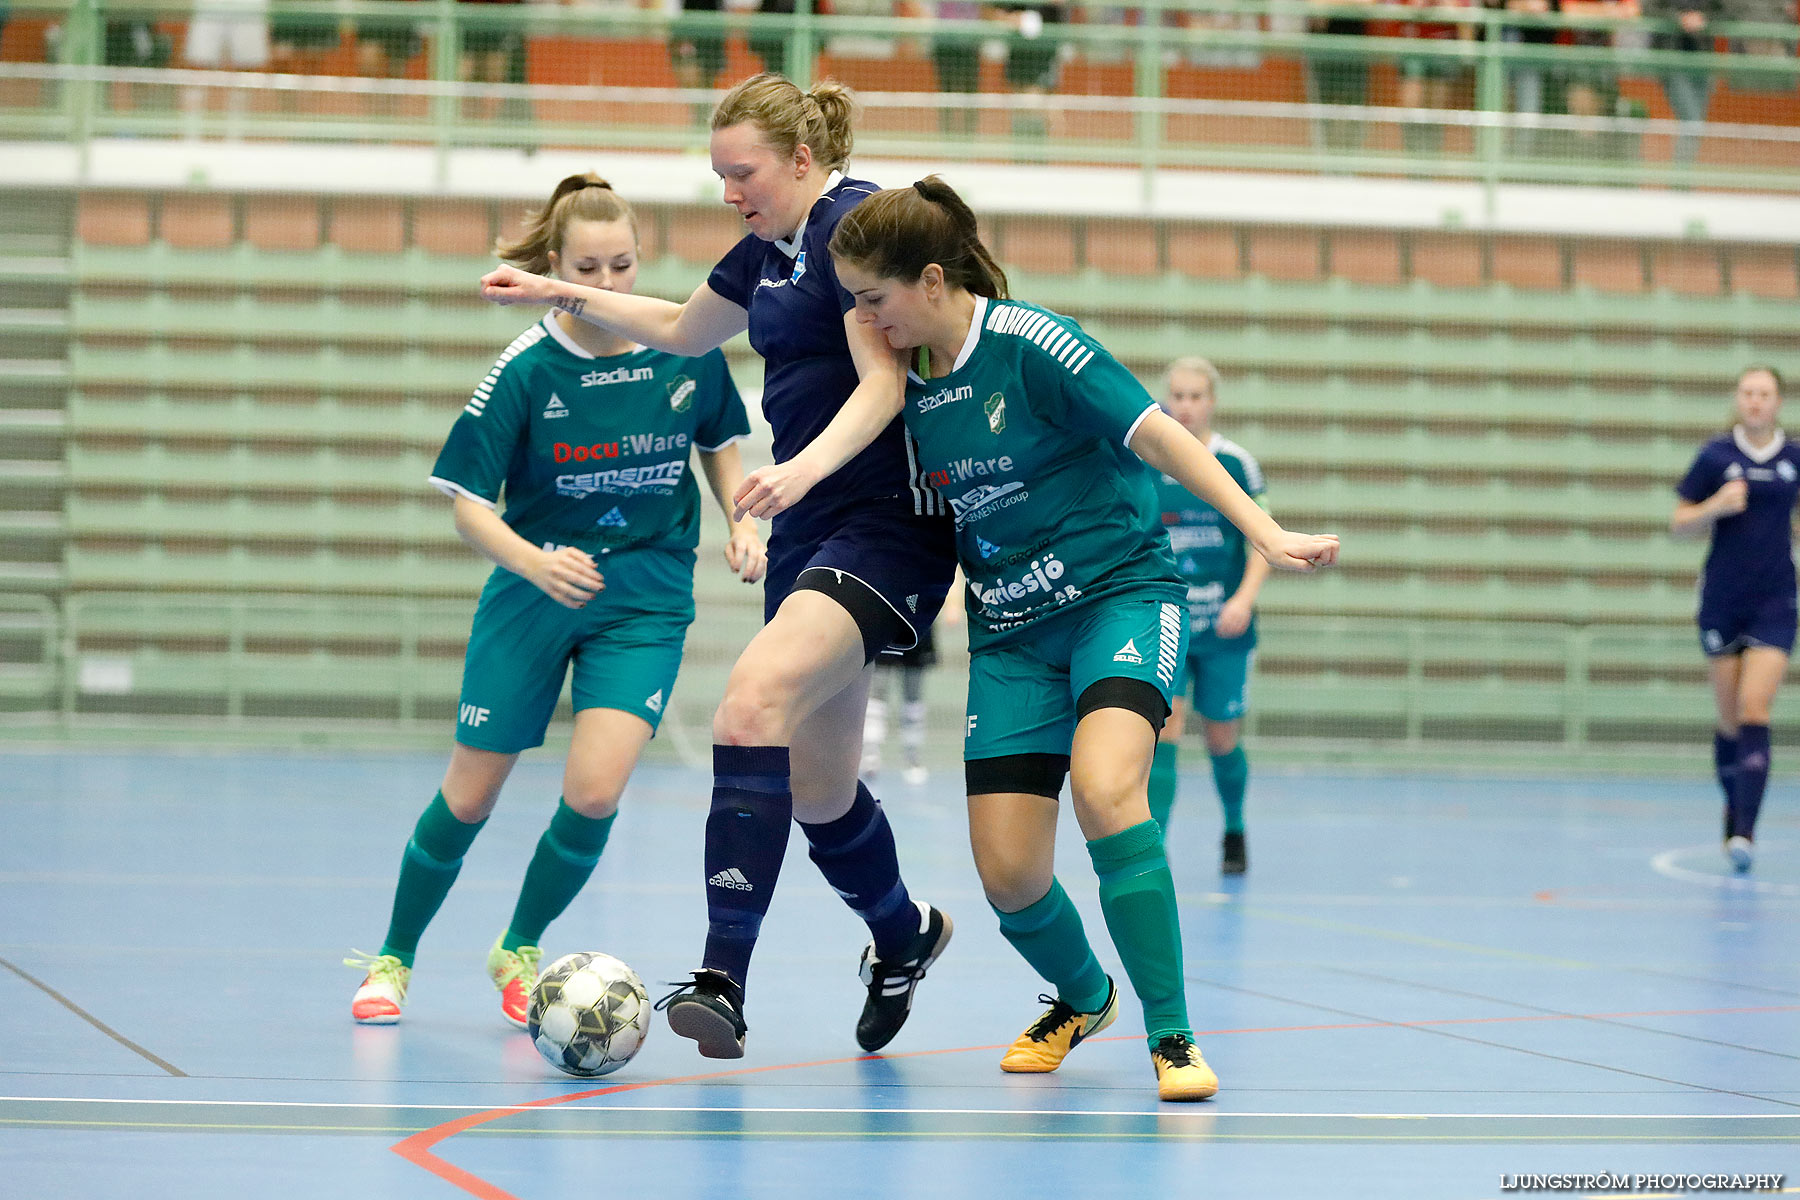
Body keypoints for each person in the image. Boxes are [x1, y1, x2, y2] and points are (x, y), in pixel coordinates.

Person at [731, 177, 1339, 1100]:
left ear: (930, 282)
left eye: (873, 299)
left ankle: (1172, 1038)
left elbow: (1160, 437)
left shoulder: (1031, 343)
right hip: (1011, 634)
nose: (860, 317)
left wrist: (1265, 531)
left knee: (1106, 790)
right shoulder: (906, 389)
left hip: (1118, 601)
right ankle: (1081, 995)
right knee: (1010, 876)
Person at [478, 75, 959, 1061]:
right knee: (821, 793)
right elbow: (684, 328)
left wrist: (799, 469)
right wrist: (562, 290)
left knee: (747, 707)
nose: (728, 190)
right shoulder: (766, 251)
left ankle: (720, 980)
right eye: (717, 176)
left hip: (880, 524)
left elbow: (882, 385)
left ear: (797, 159)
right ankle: (905, 937)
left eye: (740, 173)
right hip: (807, 530)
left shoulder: (849, 226)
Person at [345, 173, 765, 1026]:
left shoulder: (683, 344)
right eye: (590, 267)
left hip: (644, 597)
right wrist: (533, 563)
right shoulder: (525, 370)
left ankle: (520, 943)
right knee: (470, 796)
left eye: (623, 265)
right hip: (533, 596)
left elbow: (721, 439)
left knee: (597, 791)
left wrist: (740, 520)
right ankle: (393, 956)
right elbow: (467, 504)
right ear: (553, 266)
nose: (609, 285)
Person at [1671, 366, 1796, 873]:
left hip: (1776, 600)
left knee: (1754, 706)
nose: (1756, 402)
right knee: (1728, 721)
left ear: (1778, 401)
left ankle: (1746, 831)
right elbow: (1679, 525)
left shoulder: (1794, 459)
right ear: (1738, 399)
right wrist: (1716, 506)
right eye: (1748, 393)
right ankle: (1733, 810)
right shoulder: (1715, 456)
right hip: (1722, 598)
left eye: (1765, 394)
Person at [1149, 357, 1267, 876]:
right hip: (1168, 623)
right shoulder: (1150, 458)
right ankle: (1155, 848)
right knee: (1163, 731)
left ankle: (1234, 827)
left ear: (1211, 401)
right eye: (1178, 395)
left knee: (1222, 737)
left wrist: (1242, 599)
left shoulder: (1237, 463)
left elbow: (1262, 538)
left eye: (1196, 396)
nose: (1186, 405)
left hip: (1224, 626)